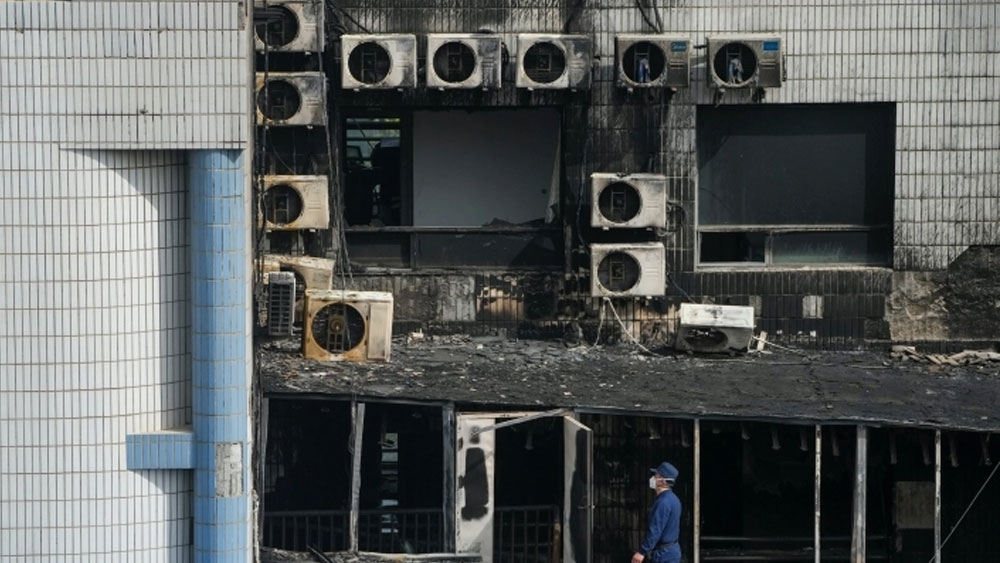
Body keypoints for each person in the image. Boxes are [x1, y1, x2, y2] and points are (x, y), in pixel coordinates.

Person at [632, 462, 682, 563]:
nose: (653, 478)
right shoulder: (674, 499)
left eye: (656, 476)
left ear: (662, 481)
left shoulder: (662, 502)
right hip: (672, 551)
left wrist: (642, 552)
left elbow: (656, 530)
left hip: (663, 554)